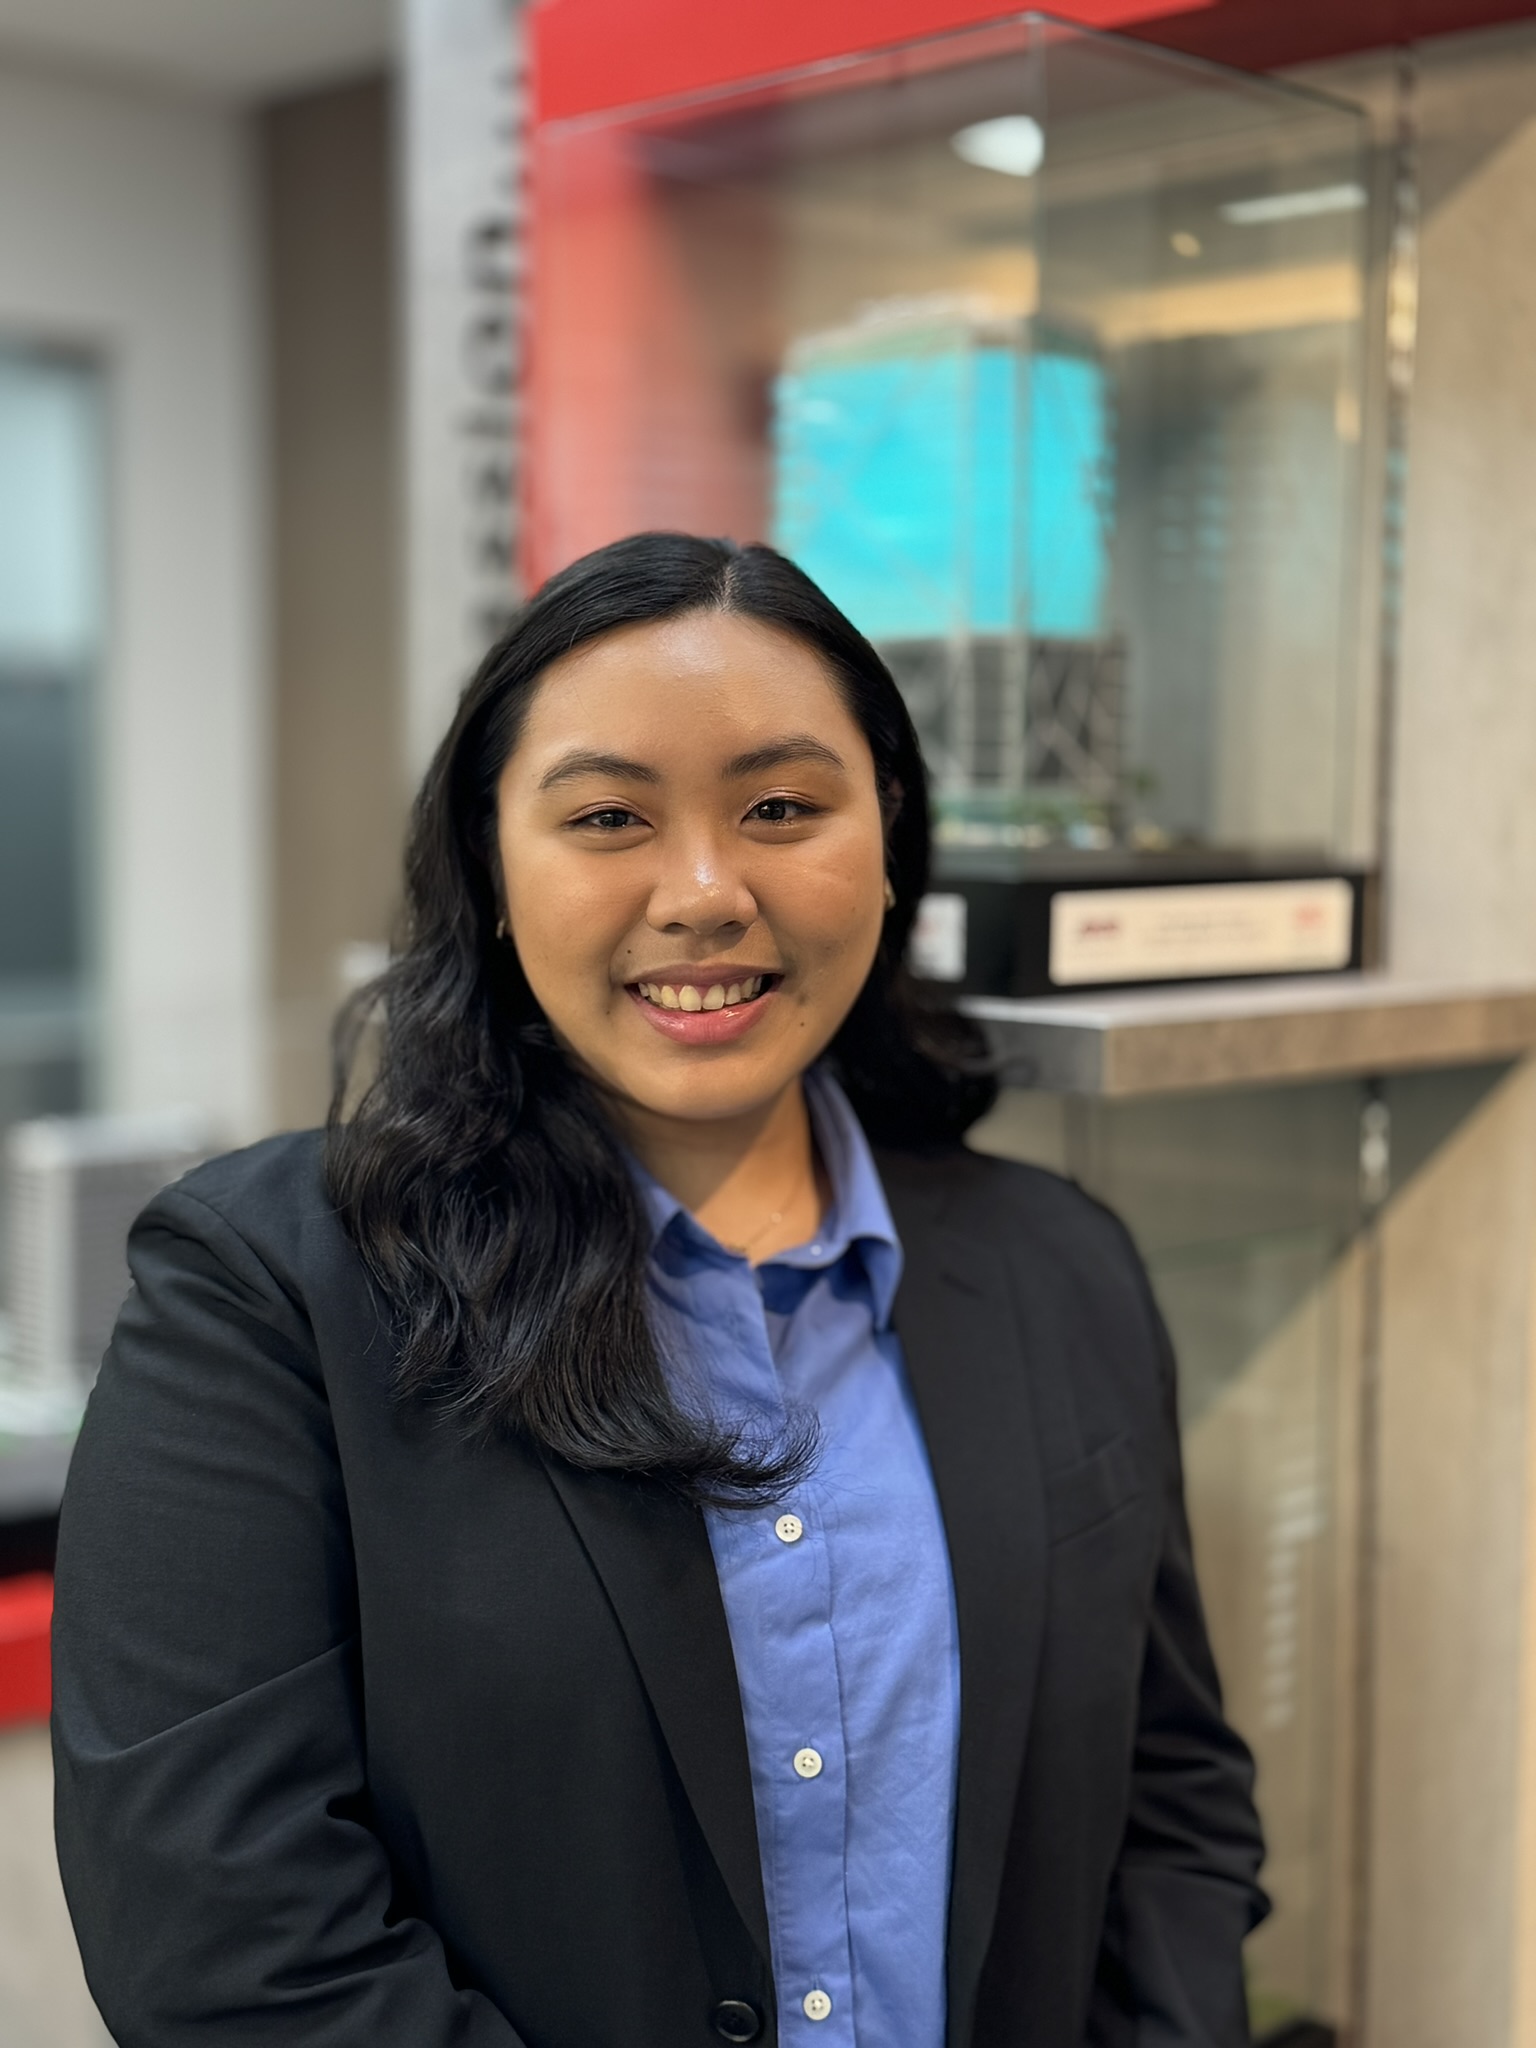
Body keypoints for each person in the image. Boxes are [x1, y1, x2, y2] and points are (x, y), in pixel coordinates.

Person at [51, 533, 1266, 2048]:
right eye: (608, 817)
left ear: (890, 836)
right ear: (493, 868)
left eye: (782, 808)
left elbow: (1170, 1803)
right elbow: (222, 1936)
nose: (704, 894)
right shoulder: (265, 1296)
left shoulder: (1064, 1267)